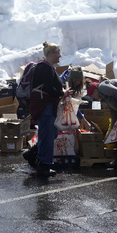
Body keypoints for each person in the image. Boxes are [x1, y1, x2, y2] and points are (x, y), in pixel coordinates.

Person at [27, 42, 65, 178]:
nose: (60, 56)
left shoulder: (48, 67)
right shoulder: (44, 67)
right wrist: (62, 93)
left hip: (47, 107)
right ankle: (44, 165)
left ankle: (33, 154)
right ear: (50, 54)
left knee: (51, 134)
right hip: (46, 107)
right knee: (47, 136)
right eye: (58, 53)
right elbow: (49, 89)